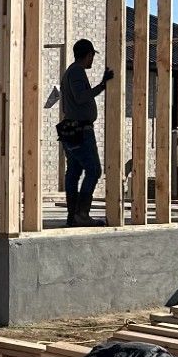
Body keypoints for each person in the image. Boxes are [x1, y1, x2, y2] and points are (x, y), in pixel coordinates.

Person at [58, 38, 114, 226]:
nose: (92, 60)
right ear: (88, 54)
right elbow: (81, 97)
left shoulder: (73, 72)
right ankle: (81, 214)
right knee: (94, 170)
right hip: (80, 130)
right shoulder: (76, 72)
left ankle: (73, 216)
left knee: (74, 171)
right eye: (92, 56)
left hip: (73, 129)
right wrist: (102, 85)